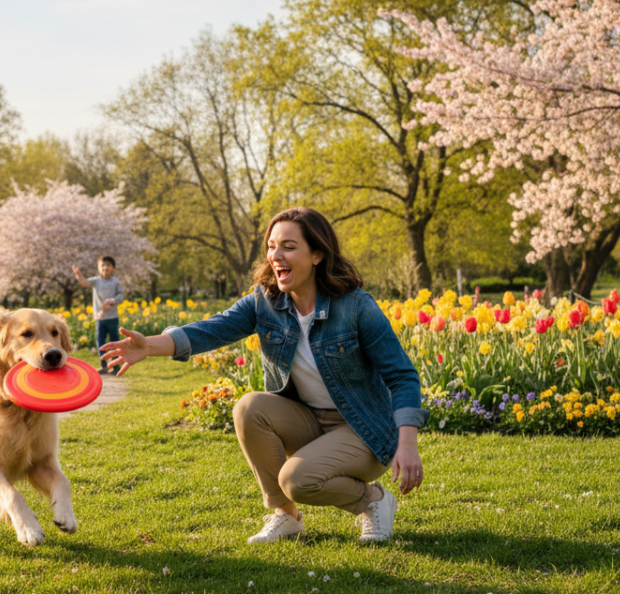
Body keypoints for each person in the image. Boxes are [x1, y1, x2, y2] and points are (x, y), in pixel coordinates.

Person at [100, 207, 426, 544]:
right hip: (309, 421)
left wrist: (407, 444)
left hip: (362, 429)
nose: (276, 256)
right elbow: (212, 329)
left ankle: (374, 500)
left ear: (317, 255)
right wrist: (149, 346)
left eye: (288, 246)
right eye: (271, 246)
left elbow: (402, 376)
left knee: (297, 479)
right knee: (249, 407)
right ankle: (286, 515)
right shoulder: (265, 302)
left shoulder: (356, 307)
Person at [73, 256, 124, 374]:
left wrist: (112, 301)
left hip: (112, 317)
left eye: (108, 265)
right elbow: (84, 282)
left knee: (114, 342)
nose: (105, 268)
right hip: (100, 318)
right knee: (100, 342)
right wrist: (78, 274)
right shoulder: (96, 281)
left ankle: (115, 366)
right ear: (99, 268)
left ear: (113, 268)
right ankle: (104, 365)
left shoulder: (115, 281)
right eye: (103, 265)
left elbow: (121, 296)